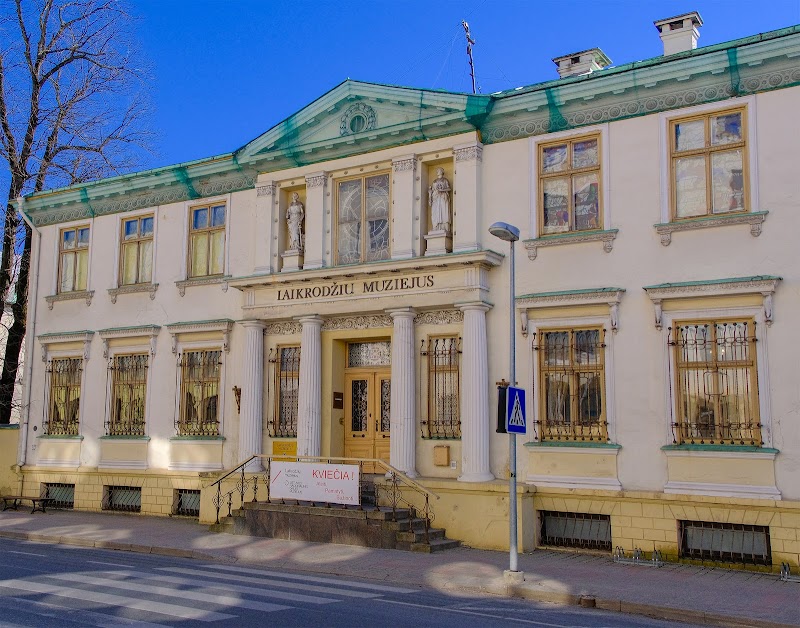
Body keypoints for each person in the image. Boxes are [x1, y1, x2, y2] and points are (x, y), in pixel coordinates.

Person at [428, 168, 451, 233]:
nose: (438, 172)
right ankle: (436, 227)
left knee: (443, 211)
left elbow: (449, 188)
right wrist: (430, 194)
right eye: (437, 171)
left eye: (439, 171)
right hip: (436, 198)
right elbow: (432, 190)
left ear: (442, 172)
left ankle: (444, 227)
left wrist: (442, 190)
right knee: (435, 212)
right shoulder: (434, 181)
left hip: (443, 197)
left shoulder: (445, 180)